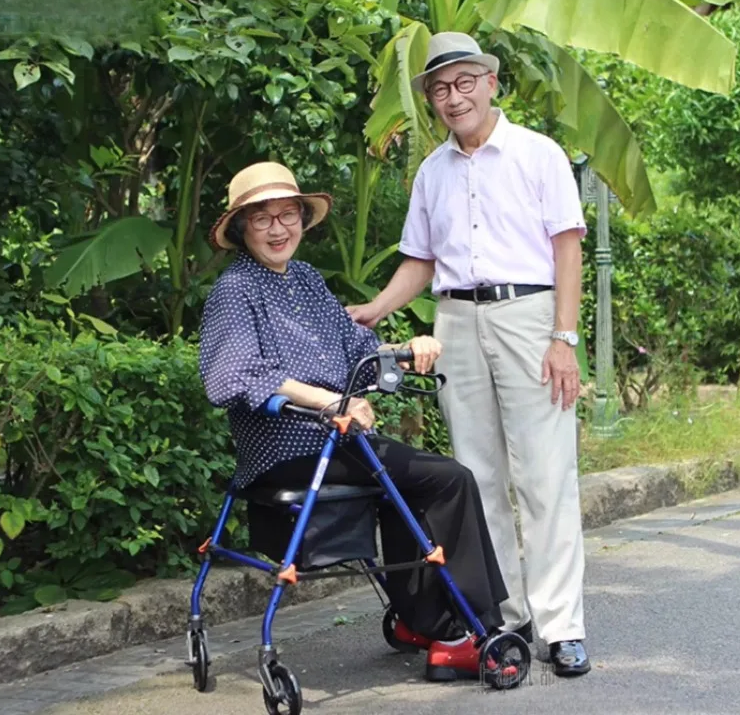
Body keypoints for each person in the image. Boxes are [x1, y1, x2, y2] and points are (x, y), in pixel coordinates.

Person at [198, 160, 517, 683]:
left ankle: (426, 622)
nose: (279, 229)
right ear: (240, 228)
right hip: (289, 448)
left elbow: (358, 351)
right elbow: (233, 373)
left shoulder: (304, 280)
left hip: (337, 442)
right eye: (263, 219)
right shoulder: (236, 290)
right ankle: (468, 632)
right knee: (449, 480)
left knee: (408, 484)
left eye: (288, 215)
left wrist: (405, 350)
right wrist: (329, 402)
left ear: (303, 219)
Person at [347, 32, 591, 677]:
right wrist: (376, 308)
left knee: (544, 474)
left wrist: (563, 339)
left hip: (529, 315)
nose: (453, 98)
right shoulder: (433, 171)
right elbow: (421, 261)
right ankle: (506, 615)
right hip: (455, 317)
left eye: (464, 83)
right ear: (431, 99)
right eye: (439, 89)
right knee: (474, 476)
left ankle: (563, 625)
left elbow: (568, 249)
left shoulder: (539, 155)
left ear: (490, 82)